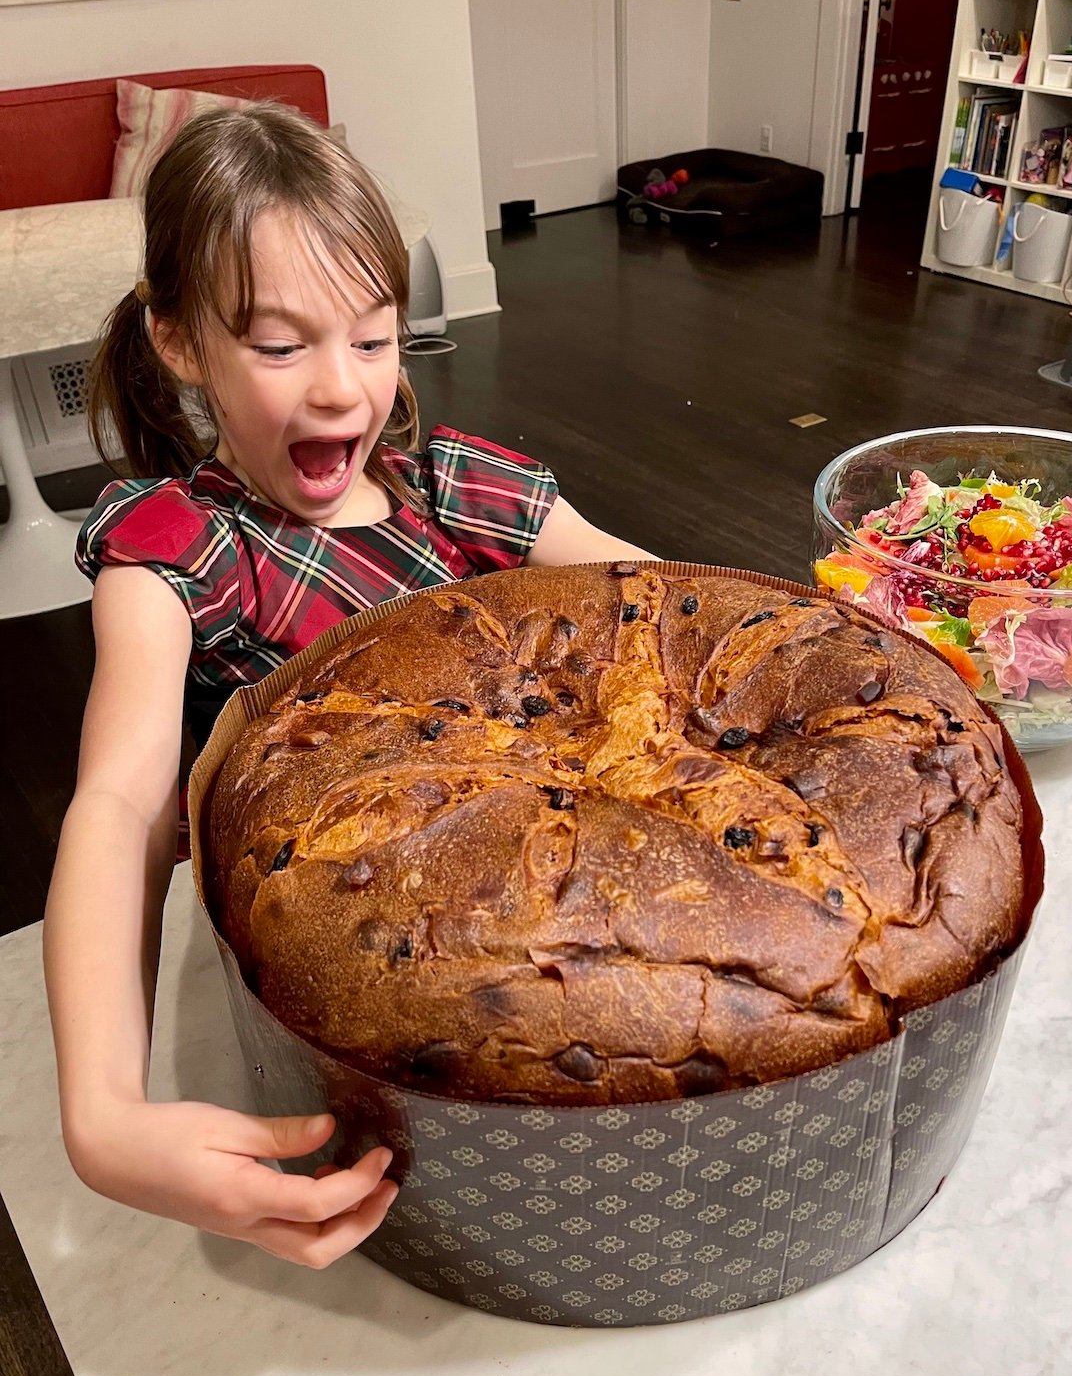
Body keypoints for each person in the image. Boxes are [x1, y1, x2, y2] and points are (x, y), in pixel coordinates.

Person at [44, 101, 654, 1271]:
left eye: (372, 339)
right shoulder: (184, 557)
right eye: (282, 346)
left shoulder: (460, 497)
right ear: (179, 343)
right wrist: (103, 1118)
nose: (339, 391)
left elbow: (667, 602)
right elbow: (120, 811)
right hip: (362, 1005)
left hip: (555, 930)